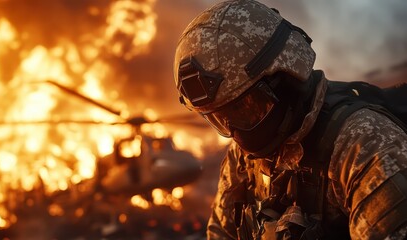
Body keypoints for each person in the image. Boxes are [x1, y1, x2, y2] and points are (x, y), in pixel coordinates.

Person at [172, 0, 407, 239]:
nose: (236, 133)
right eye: (220, 119)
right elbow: (221, 233)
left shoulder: (365, 145)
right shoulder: (243, 159)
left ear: (286, 79)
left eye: (244, 109)